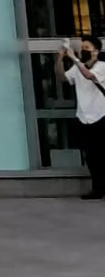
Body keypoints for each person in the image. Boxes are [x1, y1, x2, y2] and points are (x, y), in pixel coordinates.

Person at [57, 38, 105, 198]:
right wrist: (60, 58)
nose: (83, 50)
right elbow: (63, 77)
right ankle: (98, 189)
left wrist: (75, 58)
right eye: (82, 47)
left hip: (101, 116)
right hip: (84, 117)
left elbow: (89, 75)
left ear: (96, 51)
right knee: (91, 156)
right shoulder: (77, 68)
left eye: (87, 47)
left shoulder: (102, 67)